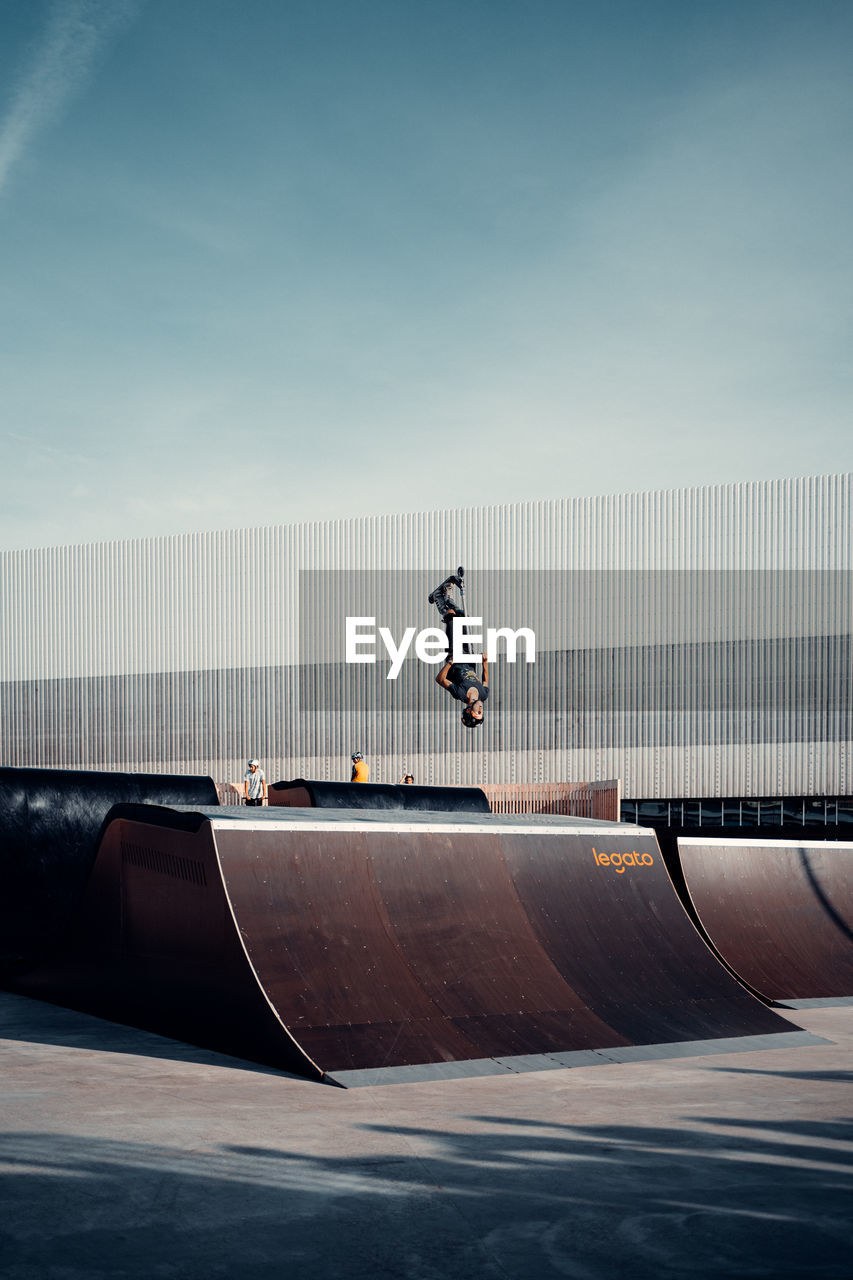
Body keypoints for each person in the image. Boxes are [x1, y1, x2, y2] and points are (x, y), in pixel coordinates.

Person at [430, 571, 489, 728]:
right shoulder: (484, 694)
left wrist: (450, 663)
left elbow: (440, 680)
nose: (480, 710)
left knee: (451, 617)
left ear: (469, 710)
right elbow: (485, 681)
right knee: (463, 616)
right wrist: (484, 663)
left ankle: (439, 597)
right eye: (481, 713)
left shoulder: (460, 694)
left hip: (454, 653)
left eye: (477, 713)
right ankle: (445, 595)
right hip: (469, 653)